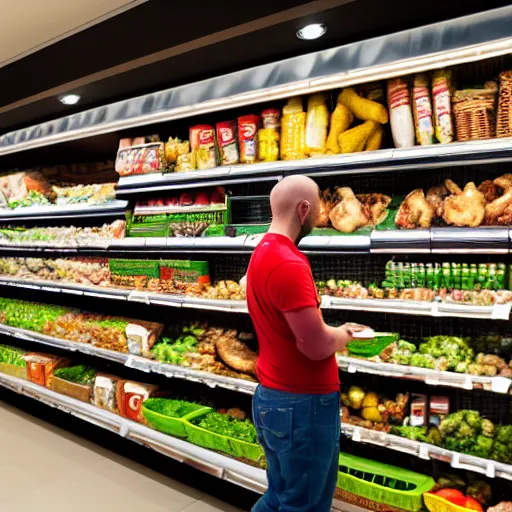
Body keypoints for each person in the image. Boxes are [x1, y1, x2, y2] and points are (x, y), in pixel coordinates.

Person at [246, 175, 366, 512]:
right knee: (305, 506)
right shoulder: (288, 262)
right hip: (303, 404)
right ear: (303, 209)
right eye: (317, 208)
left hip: (273, 397)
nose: (319, 215)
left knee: (279, 497)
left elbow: (292, 329)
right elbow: (314, 346)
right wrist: (345, 335)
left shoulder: (262, 253)